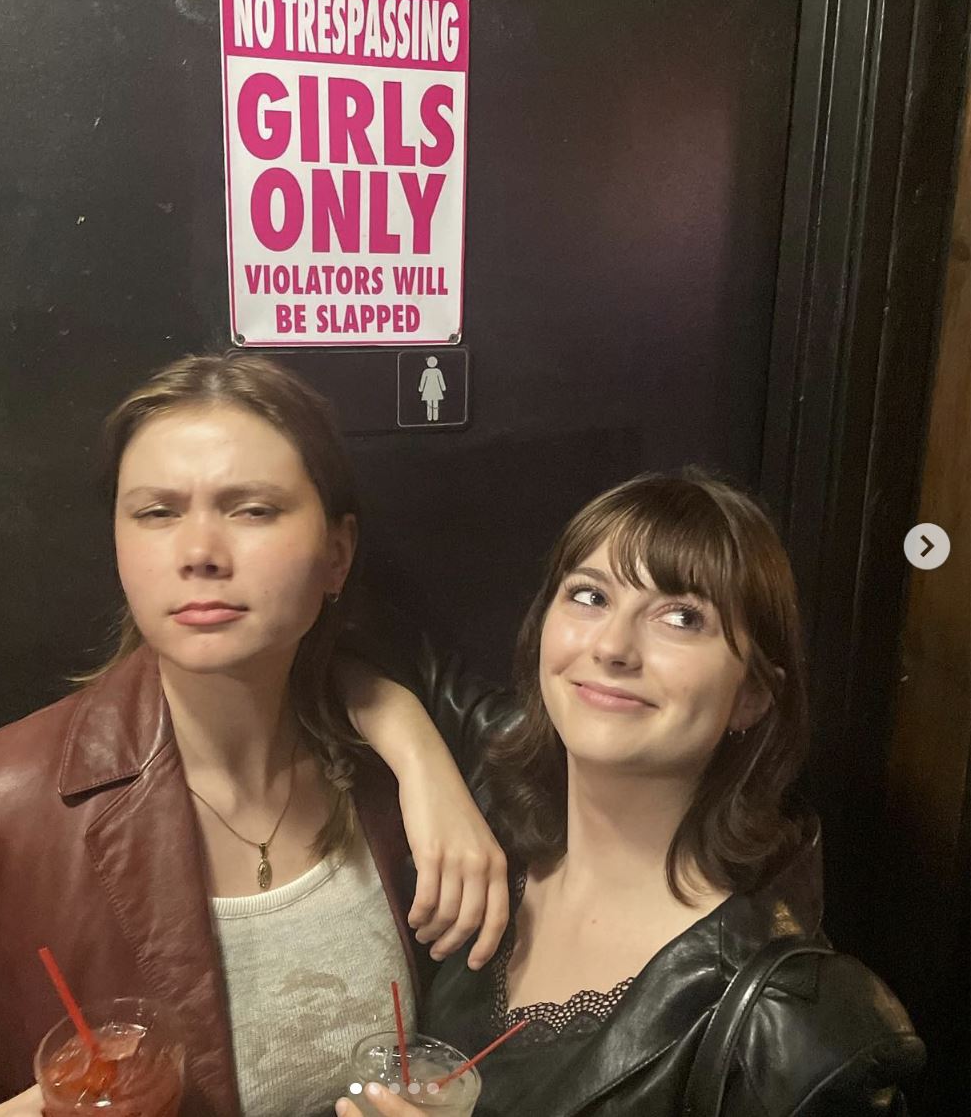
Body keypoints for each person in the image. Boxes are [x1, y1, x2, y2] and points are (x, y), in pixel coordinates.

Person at [0, 353, 508, 1117]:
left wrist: (414, 742)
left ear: (337, 554)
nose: (199, 553)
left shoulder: (389, 778)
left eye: (252, 509)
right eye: (157, 512)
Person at [336, 471, 925, 1117]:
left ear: (751, 695)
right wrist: (422, 761)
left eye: (681, 617)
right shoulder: (491, 796)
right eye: (588, 596)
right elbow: (332, 642)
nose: (612, 646)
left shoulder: (795, 1029)